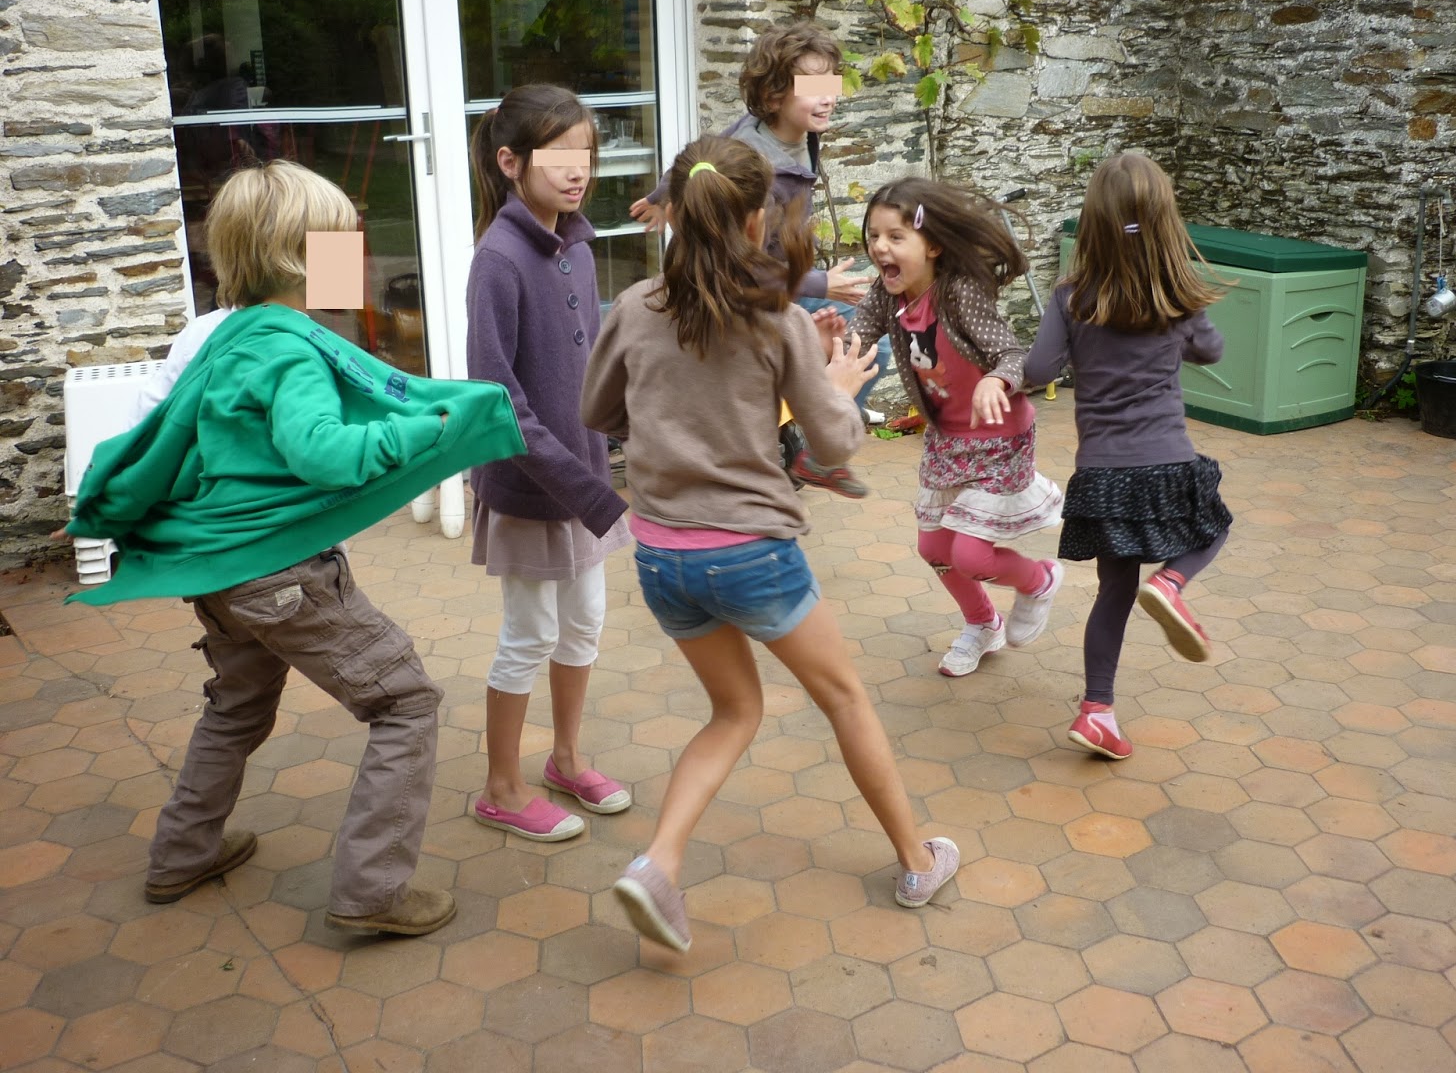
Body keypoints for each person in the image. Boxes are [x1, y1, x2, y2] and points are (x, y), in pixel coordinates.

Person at [63, 161, 526, 935]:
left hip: (223, 574)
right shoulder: (288, 349)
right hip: (280, 572)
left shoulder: (228, 336)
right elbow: (326, 455)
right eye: (342, 239)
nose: (355, 252)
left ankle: (181, 854)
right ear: (298, 256)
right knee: (405, 702)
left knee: (237, 707)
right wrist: (429, 427)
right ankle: (374, 890)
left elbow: (168, 441)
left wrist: (106, 511)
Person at [584, 136, 960, 953]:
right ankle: (916, 860)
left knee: (734, 711)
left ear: (676, 214)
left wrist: (679, 414)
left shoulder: (637, 306)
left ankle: (658, 865)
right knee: (845, 698)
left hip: (661, 557)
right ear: (758, 218)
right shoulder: (777, 318)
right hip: (752, 553)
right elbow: (835, 442)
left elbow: (599, 414)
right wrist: (840, 383)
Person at [1023, 153, 1232, 761]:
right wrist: (1179, 314)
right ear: (1166, 222)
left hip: (1102, 474)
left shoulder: (1071, 298)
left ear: (1092, 222)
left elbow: (1039, 368)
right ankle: (1172, 581)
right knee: (1215, 526)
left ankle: (1097, 712)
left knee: (1114, 590)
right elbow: (1212, 352)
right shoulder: (1177, 298)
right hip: (1165, 461)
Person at [465, 84, 633, 843]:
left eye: (587, 152)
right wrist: (583, 488)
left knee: (585, 623)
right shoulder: (498, 261)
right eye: (559, 154)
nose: (579, 169)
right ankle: (501, 788)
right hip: (533, 490)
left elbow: (591, 369)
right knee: (529, 633)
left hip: (584, 481)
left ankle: (565, 759)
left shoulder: (577, 245)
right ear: (511, 162)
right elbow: (497, 402)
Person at [629, 19, 885, 498]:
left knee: (865, 342)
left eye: (831, 85)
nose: (828, 98)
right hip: (752, 288)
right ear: (773, 96)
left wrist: (663, 194)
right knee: (861, 347)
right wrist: (819, 284)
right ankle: (806, 437)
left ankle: (799, 434)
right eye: (812, 88)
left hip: (783, 276)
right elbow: (744, 267)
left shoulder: (779, 131)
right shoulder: (759, 171)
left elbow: (700, 155)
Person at [841, 179, 1066, 679]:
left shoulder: (959, 293)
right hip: (947, 439)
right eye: (874, 236)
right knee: (935, 550)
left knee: (970, 553)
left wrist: (995, 379)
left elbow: (1013, 354)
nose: (879, 247)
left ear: (933, 245)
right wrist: (829, 343)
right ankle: (984, 624)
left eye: (895, 236)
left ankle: (1038, 580)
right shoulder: (887, 293)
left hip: (999, 439)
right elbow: (856, 338)